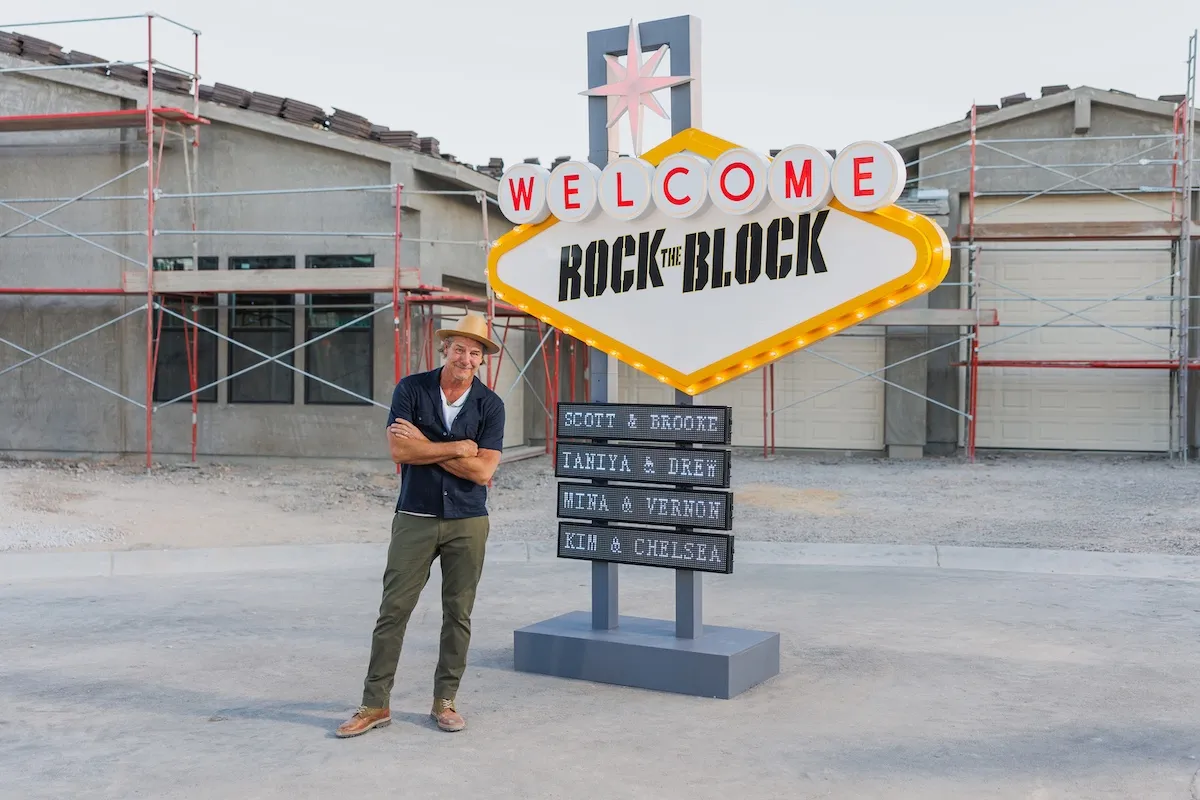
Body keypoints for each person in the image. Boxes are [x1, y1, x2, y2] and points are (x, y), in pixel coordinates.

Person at [336, 313, 505, 737]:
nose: (466, 357)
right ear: (445, 349)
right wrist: (458, 448)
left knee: (458, 613)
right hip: (415, 516)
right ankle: (375, 704)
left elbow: (484, 472)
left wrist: (426, 446)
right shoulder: (411, 389)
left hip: (468, 521)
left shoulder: (491, 406)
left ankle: (445, 702)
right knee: (393, 610)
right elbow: (399, 451)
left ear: (482, 359)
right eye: (460, 348)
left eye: (475, 351)